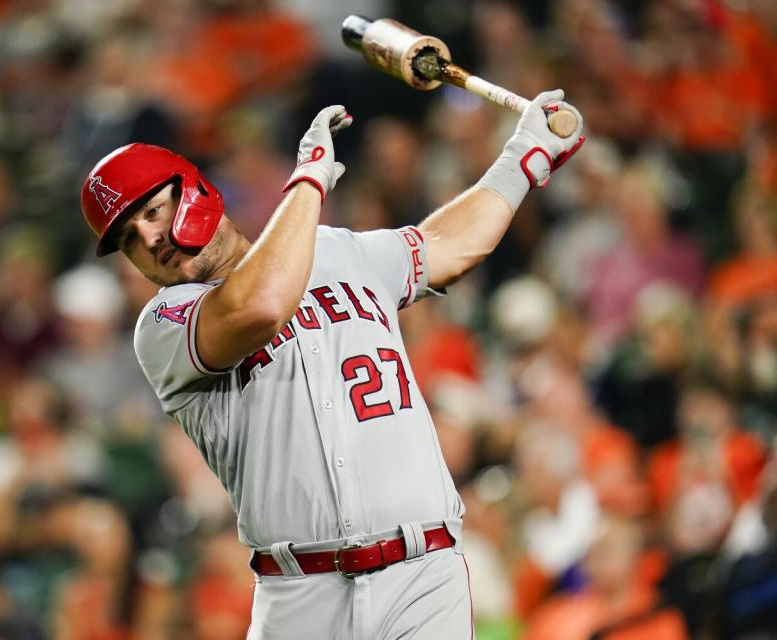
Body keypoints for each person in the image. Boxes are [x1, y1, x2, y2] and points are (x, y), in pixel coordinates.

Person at [79, 92, 584, 639]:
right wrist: (308, 183)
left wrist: (522, 158)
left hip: (422, 575)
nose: (150, 239)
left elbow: (448, 244)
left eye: (152, 211)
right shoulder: (164, 323)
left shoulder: (341, 251)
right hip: (301, 595)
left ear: (196, 188)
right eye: (130, 239)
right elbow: (261, 304)